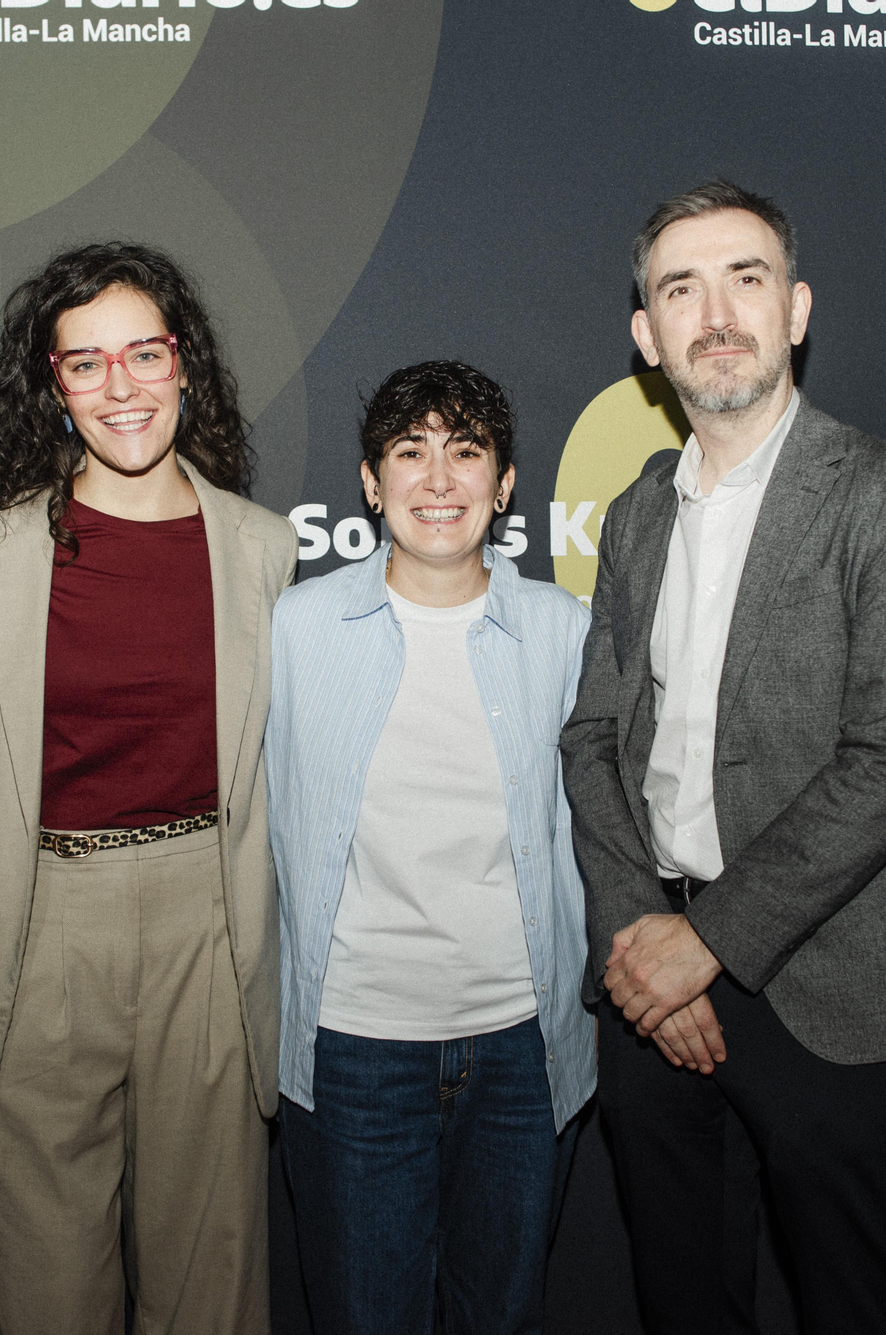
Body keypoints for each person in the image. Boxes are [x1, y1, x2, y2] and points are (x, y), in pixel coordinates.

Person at [559, 180, 886, 1333]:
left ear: (793, 309)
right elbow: (593, 736)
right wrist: (640, 933)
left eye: (744, 279)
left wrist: (708, 940)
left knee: (858, 1309)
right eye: (678, 288)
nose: (715, 313)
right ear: (646, 339)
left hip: (837, 989)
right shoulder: (640, 509)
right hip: (656, 994)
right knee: (684, 1307)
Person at [0, 241, 297, 1335]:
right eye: (85, 364)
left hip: (211, 927)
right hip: (36, 923)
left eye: (144, 353)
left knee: (209, 1287)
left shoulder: (261, 548)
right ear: (51, 386)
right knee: (39, 1290)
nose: (121, 386)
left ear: (185, 366)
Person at [268, 361, 596, 1335]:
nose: (437, 478)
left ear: (502, 484)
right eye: (409, 452)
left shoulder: (564, 633)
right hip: (355, 1046)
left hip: (519, 1048)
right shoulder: (296, 627)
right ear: (370, 482)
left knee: (500, 1315)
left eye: (465, 452)